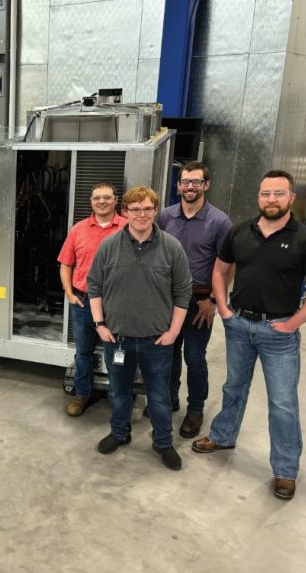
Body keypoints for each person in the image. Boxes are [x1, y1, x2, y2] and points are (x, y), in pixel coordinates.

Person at [192, 169, 306, 500]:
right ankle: (223, 436)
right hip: (239, 324)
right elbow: (220, 271)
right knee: (233, 387)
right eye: (266, 193)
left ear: (291, 197)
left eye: (279, 193)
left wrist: (293, 324)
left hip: (279, 333)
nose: (271, 199)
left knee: (282, 402)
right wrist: (224, 308)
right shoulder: (240, 232)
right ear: (258, 197)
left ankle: (285, 470)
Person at [87, 186, 192, 470]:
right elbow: (94, 286)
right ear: (126, 211)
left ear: (156, 210)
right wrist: (99, 324)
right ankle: (119, 433)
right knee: (118, 392)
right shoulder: (109, 246)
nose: (141, 214)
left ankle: (163, 442)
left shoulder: (172, 247)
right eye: (135, 209)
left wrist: (173, 332)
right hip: (117, 338)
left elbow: (183, 292)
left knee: (159, 396)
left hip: (157, 341)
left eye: (147, 208)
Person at [156, 162, 232, 437]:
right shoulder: (165, 217)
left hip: (201, 301)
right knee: (168, 351)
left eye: (196, 182)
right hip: (168, 299)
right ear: (178, 185)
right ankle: (169, 398)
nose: (190, 187)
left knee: (195, 357)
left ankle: (195, 410)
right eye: (185, 181)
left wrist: (213, 300)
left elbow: (228, 265)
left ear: (206, 185)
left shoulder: (220, 222)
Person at [58, 182, 126, 416]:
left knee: (116, 353)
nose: (102, 201)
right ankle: (81, 394)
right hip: (83, 302)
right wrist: (69, 293)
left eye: (107, 197)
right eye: (97, 198)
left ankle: (119, 399)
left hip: (116, 304)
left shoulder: (128, 228)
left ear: (116, 200)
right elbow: (65, 264)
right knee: (83, 353)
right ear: (91, 201)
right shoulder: (78, 229)